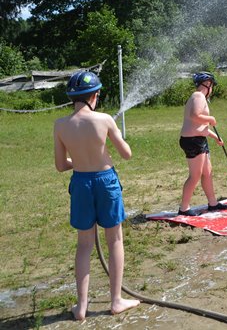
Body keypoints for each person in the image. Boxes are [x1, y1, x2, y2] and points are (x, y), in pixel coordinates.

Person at [53, 71, 140, 321]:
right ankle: (116, 301)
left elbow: (61, 165)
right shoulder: (104, 119)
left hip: (80, 183)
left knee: (84, 245)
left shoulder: (60, 124)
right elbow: (127, 154)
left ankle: (81, 307)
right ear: (95, 95)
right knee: (115, 240)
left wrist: (80, 160)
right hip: (106, 181)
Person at [178, 72, 227, 216]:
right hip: (192, 140)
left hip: (198, 139)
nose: (211, 89)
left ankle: (213, 203)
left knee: (207, 172)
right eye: (211, 86)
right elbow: (195, 116)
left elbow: (200, 126)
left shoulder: (198, 97)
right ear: (207, 84)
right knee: (195, 175)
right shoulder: (198, 96)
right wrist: (210, 118)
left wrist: (215, 137)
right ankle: (184, 208)